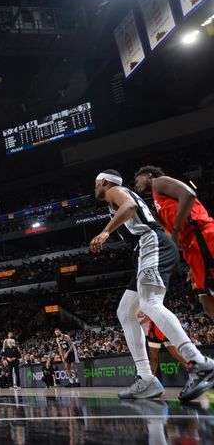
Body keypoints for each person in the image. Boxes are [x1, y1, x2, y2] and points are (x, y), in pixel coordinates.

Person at [91, 169, 214, 401]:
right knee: (126, 312)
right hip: (146, 250)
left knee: (149, 303)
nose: (95, 187)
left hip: (150, 244)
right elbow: (160, 225)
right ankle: (146, 378)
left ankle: (199, 362)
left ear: (104, 182)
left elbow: (130, 207)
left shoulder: (116, 191)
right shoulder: (119, 196)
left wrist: (106, 232)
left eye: (96, 183)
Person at [134, 166, 214, 319]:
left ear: (149, 175)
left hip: (202, 234)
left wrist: (176, 230)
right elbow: (167, 229)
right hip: (192, 247)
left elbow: (189, 194)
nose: (136, 185)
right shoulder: (157, 201)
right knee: (204, 295)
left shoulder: (158, 182)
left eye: (138, 180)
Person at [138, 311, 187, 380]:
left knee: (175, 354)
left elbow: (150, 316)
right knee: (154, 360)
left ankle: (193, 368)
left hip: (164, 331)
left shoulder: (152, 307)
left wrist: (137, 324)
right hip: (154, 333)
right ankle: (152, 381)